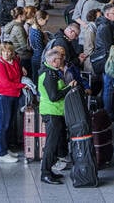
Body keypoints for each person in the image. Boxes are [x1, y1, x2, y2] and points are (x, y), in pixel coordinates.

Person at [39, 48, 75, 185]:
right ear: (54, 61)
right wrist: (68, 88)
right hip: (51, 112)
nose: (63, 60)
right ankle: (45, 173)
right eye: (60, 58)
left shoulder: (52, 72)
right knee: (51, 144)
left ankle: (50, 170)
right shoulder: (49, 75)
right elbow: (54, 96)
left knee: (55, 143)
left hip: (57, 112)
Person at [0, 42, 25, 163]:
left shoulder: (15, 61)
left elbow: (18, 74)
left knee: (9, 123)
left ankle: (6, 148)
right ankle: (2, 153)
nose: (7, 53)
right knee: (3, 124)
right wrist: (22, 85)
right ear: (1, 52)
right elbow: (5, 83)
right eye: (4, 51)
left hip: (14, 95)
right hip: (4, 96)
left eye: (9, 51)